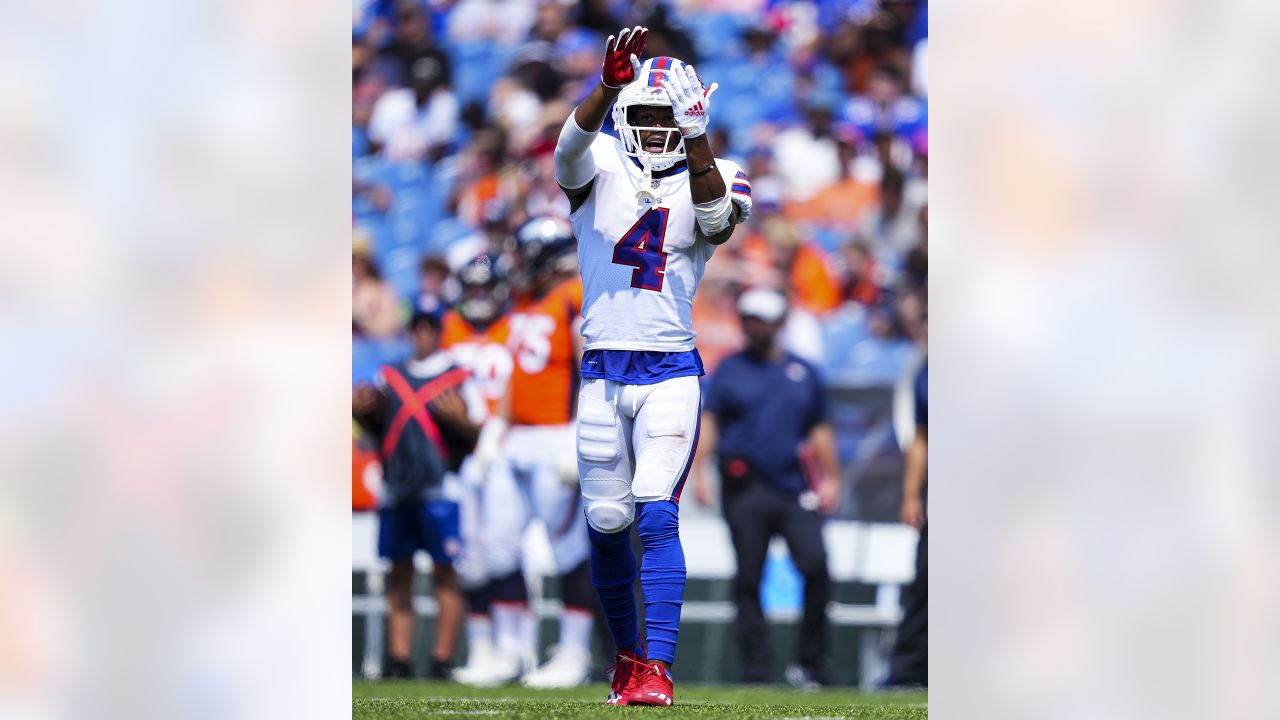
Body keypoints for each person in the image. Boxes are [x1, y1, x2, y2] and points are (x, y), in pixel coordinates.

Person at [553, 26, 752, 706]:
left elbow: (719, 220)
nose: (660, 130)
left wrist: (698, 138)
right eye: (648, 117)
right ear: (625, 118)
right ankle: (629, 661)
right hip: (602, 370)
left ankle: (658, 670)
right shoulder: (601, 161)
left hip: (669, 370)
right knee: (606, 523)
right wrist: (606, 87)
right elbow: (566, 150)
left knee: (655, 516)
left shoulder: (719, 168)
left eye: (674, 119)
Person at [461, 216, 597, 687]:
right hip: (515, 438)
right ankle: (510, 649)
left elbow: (591, 368)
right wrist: (495, 429)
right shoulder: (526, 302)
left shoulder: (575, 296)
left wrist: (578, 431)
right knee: (498, 548)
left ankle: (573, 653)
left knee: (568, 550)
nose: (518, 264)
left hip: (555, 435)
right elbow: (518, 378)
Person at [692, 287, 842, 687]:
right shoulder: (729, 369)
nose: (753, 326)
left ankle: (810, 661)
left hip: (794, 487)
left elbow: (820, 429)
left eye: (761, 319)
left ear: (778, 324)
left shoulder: (803, 372)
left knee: (816, 566)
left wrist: (831, 478)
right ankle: (756, 668)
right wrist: (700, 472)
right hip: (746, 486)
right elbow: (712, 422)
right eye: (749, 318)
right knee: (748, 577)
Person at [352, 310, 488, 679]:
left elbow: (479, 434)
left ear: (439, 332)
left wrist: (458, 419)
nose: (422, 334)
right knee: (399, 573)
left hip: (441, 487)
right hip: (398, 487)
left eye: (429, 327)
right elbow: (374, 429)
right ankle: (399, 658)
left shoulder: (458, 378)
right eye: (416, 327)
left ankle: (441, 658)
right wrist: (363, 412)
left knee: (445, 573)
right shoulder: (390, 376)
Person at [437, 255, 516, 685]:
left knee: (505, 552)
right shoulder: (450, 329)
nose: (479, 297)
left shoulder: (513, 327)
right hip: (462, 454)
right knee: (470, 558)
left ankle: (513, 646)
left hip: (506, 451)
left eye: (486, 288)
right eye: (473, 288)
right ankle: (483, 646)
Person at [886, 357, 927, 687]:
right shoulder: (928, 373)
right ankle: (908, 670)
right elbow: (921, 436)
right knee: (926, 581)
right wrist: (912, 494)